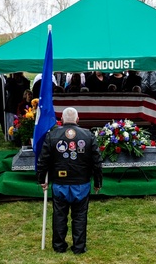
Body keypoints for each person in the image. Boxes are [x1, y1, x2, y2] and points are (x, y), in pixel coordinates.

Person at [37, 108, 102, 254]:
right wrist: (98, 182)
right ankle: (79, 247)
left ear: (61, 119)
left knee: (59, 216)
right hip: (82, 184)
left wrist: (41, 179)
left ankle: (59, 246)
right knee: (80, 216)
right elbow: (97, 162)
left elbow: (43, 160)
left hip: (60, 184)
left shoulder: (52, 135)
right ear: (78, 120)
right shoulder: (88, 135)